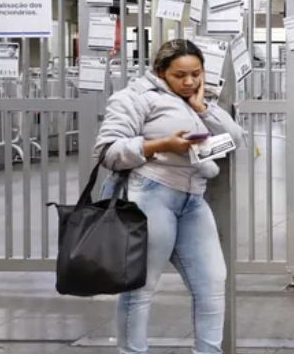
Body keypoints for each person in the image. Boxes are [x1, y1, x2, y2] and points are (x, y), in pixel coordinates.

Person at [93, 39, 245, 354]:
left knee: (213, 283)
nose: (189, 82)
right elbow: (108, 151)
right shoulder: (134, 97)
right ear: (160, 71)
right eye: (180, 75)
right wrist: (162, 145)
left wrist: (203, 108)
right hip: (150, 194)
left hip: (192, 200)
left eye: (196, 74)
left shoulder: (199, 101)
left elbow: (233, 139)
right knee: (139, 288)